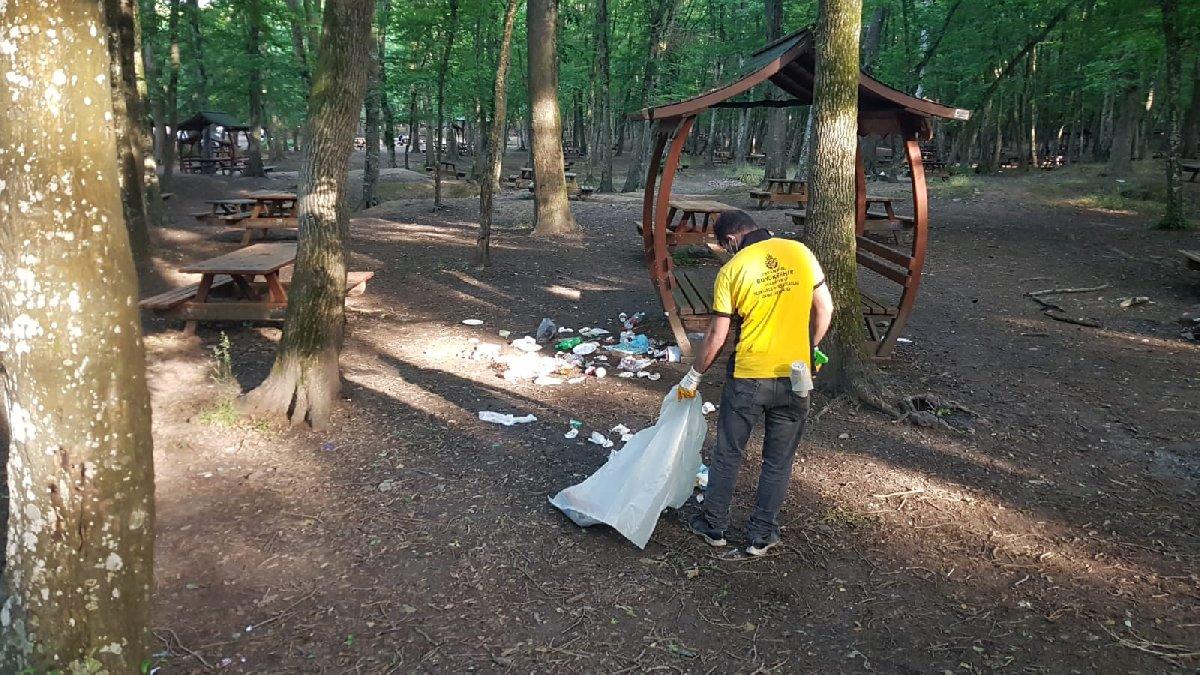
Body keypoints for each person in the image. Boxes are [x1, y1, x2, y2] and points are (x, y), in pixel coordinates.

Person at [677, 209, 833, 556]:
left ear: (732, 240)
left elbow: (717, 335)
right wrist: (810, 349)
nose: (727, 251)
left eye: (725, 246)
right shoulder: (800, 252)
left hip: (749, 376)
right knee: (778, 459)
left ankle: (713, 525)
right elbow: (825, 308)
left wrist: (695, 373)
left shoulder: (732, 270)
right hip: (795, 376)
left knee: (729, 451)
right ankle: (761, 535)